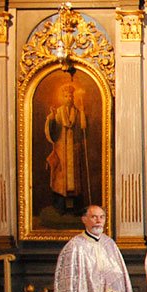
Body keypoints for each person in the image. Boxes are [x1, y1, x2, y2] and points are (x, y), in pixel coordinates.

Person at [44, 81, 88, 212]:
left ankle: (75, 208)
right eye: (66, 96)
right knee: (60, 179)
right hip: (61, 151)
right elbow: (51, 132)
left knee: (75, 179)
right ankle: (60, 207)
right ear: (62, 97)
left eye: (71, 96)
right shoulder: (57, 113)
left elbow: (83, 129)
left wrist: (82, 113)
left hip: (73, 151)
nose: (69, 98)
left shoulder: (78, 112)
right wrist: (51, 118)